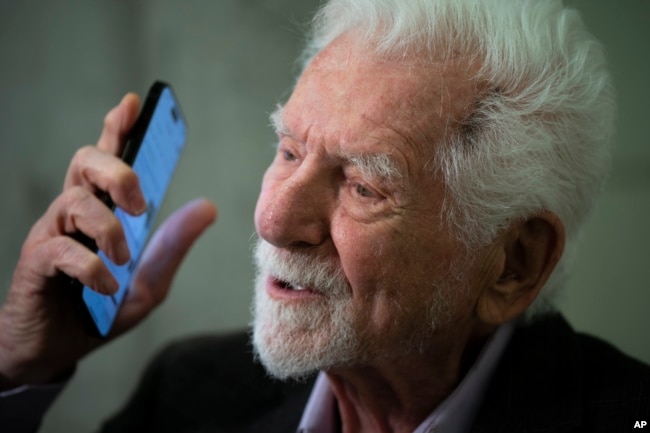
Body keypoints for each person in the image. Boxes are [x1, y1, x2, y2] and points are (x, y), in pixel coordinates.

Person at [1, 0, 649, 432]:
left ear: (514, 262)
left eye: (364, 186)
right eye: (288, 150)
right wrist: (20, 367)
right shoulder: (192, 395)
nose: (273, 220)